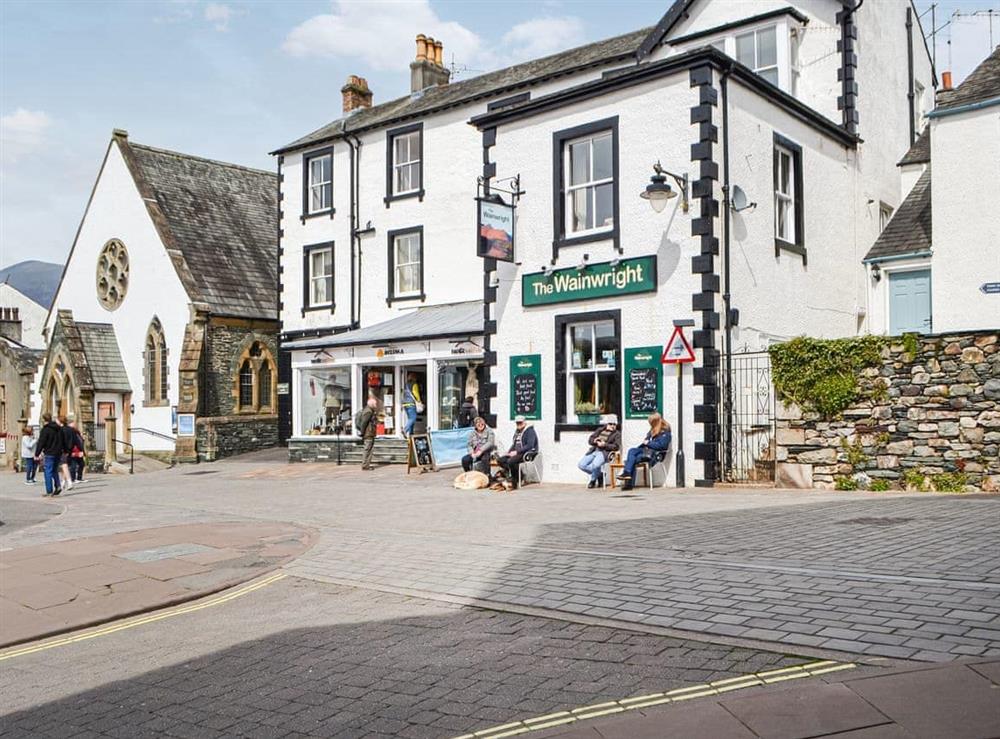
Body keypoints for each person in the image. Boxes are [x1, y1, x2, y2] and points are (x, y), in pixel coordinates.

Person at [619, 413, 672, 491]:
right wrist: (645, 443)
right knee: (632, 451)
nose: (650, 424)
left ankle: (628, 482)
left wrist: (648, 443)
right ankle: (627, 473)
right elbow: (646, 440)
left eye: (651, 422)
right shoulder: (652, 431)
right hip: (646, 450)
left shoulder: (665, 432)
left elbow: (662, 446)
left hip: (655, 454)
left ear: (655, 422)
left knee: (631, 460)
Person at [577, 414, 621, 489]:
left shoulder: (617, 434)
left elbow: (616, 447)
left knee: (595, 466)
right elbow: (590, 439)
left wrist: (604, 445)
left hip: (604, 453)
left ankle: (593, 480)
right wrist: (595, 441)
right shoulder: (600, 430)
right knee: (581, 465)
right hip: (594, 450)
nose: (612, 426)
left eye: (614, 424)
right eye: (610, 424)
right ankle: (600, 474)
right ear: (606, 424)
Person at [496, 415, 538, 490]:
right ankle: (515, 475)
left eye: (520, 423)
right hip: (517, 452)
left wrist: (517, 452)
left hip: (526, 453)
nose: (518, 424)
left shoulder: (530, 431)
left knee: (511, 461)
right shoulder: (517, 431)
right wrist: (509, 452)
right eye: (517, 423)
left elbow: (530, 445)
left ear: (524, 422)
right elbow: (514, 444)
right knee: (500, 460)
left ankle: (518, 478)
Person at [34, 412, 65, 496]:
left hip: (49, 453)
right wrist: (64, 450)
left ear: (44, 420)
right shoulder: (59, 428)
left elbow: (41, 442)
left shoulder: (45, 429)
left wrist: (37, 453)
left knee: (48, 471)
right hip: (58, 452)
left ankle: (49, 490)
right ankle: (58, 486)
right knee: (54, 470)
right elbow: (63, 440)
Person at [358, 397, 378, 470]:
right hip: (368, 433)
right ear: (371, 404)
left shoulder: (369, 410)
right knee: (368, 449)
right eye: (375, 404)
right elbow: (364, 423)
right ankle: (365, 465)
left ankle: (366, 464)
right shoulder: (368, 412)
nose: (376, 405)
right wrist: (362, 432)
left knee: (369, 449)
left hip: (369, 433)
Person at [401, 372, 423, 438]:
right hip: (411, 403)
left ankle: (411, 434)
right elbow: (415, 393)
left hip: (405, 404)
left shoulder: (406, 384)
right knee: (413, 418)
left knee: (410, 419)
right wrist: (419, 400)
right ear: (414, 377)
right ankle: (405, 430)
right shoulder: (414, 384)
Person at [58, 415, 75, 492]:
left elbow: (60, 441)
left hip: (63, 450)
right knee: (66, 466)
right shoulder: (71, 429)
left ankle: (69, 482)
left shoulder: (60, 430)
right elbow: (74, 440)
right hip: (70, 450)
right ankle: (63, 482)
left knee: (64, 465)